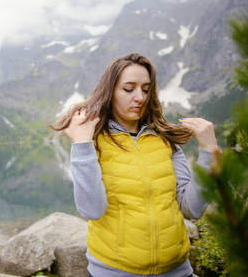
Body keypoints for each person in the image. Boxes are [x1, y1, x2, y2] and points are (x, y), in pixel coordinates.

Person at [50, 53, 219, 277]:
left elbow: (192, 208)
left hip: (177, 271)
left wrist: (210, 152)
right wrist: (82, 144)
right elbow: (92, 210)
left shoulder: (165, 140)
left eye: (146, 89)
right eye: (129, 89)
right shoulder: (93, 142)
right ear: (110, 91)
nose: (140, 97)